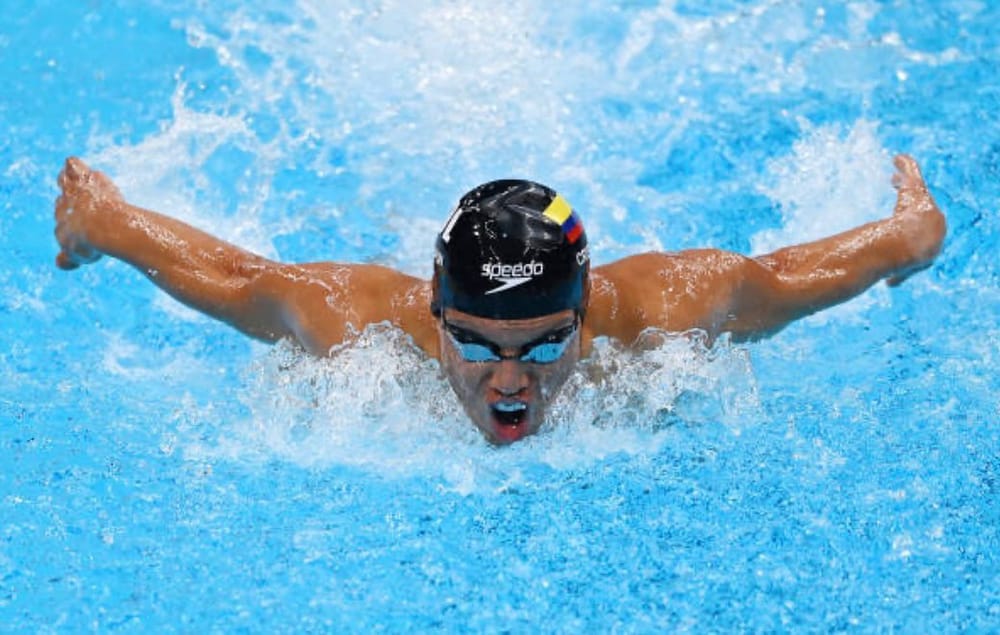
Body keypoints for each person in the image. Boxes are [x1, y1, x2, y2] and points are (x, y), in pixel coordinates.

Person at [54, 154, 946, 444]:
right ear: (437, 312)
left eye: (546, 345)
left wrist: (906, 239)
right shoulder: (361, 324)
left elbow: (788, 277)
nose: (509, 382)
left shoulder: (668, 310)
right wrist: (107, 220)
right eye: (477, 346)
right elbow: (235, 278)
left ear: (587, 312)